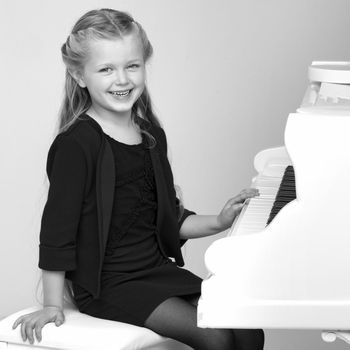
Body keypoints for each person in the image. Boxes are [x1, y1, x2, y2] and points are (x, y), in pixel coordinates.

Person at [12, 8, 264, 350]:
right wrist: (53, 305)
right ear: (79, 74)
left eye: (132, 66)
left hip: (157, 273)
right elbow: (57, 233)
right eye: (106, 69)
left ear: (145, 64)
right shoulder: (77, 144)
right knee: (215, 337)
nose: (122, 79)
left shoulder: (150, 136)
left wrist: (220, 220)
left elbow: (168, 221)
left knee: (248, 329)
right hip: (108, 285)